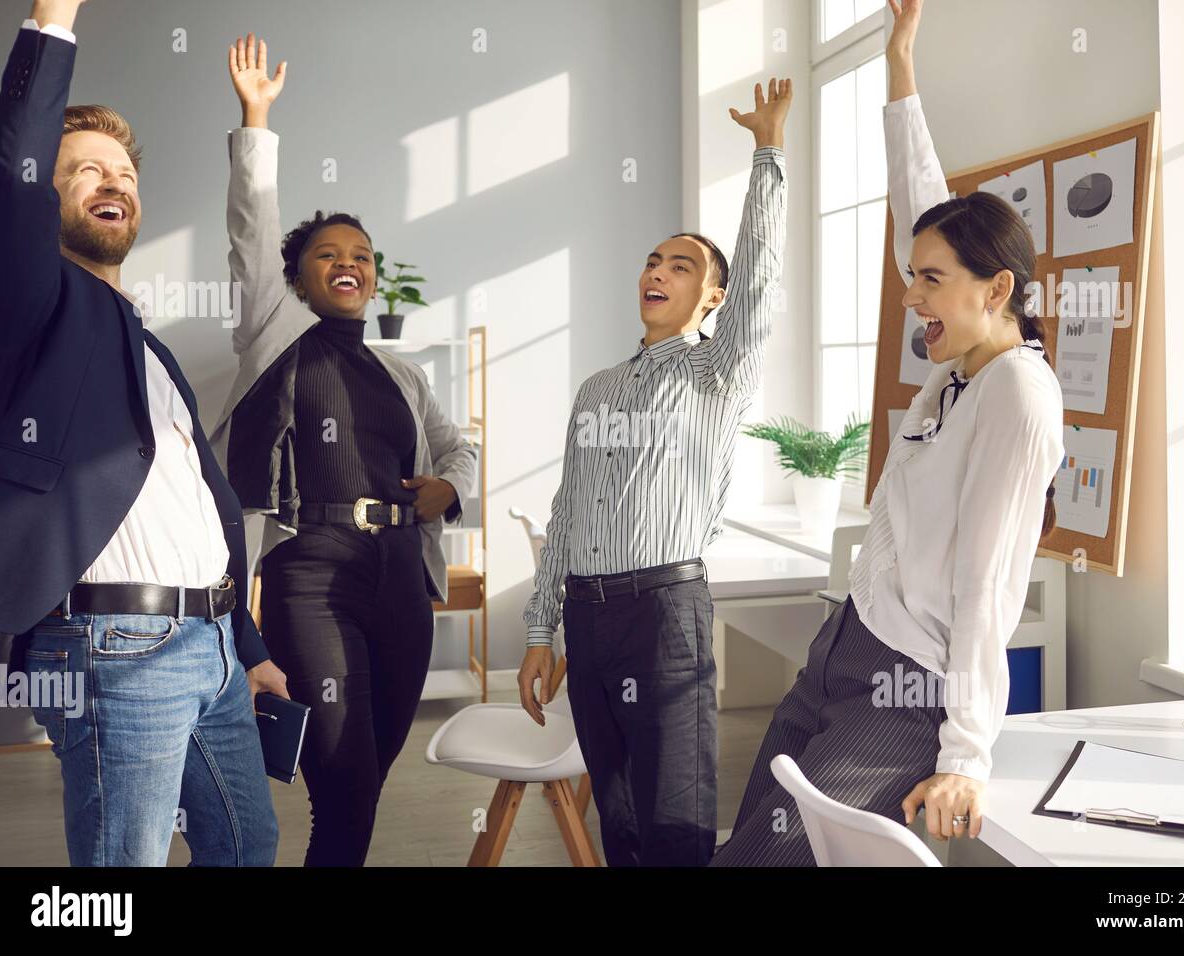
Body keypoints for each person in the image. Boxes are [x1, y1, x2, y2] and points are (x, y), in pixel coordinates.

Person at [711, 0, 1065, 866]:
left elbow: (987, 587)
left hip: (904, 692)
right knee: (746, 844)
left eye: (931, 282)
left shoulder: (1017, 395)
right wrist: (900, 60)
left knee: (771, 861)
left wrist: (966, 759)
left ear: (996, 289)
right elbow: (923, 201)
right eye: (913, 277)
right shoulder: (960, 369)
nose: (913, 297)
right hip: (841, 647)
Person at [0, 0, 284, 866]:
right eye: (82, 171)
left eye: (124, 171)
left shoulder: (143, 345)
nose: (113, 181)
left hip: (213, 646)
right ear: (45, 198)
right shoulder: (26, 311)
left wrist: (247, 648)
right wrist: (53, 18)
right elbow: (7, 178)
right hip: (112, 651)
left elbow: (203, 508)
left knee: (244, 845)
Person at [207, 34, 478, 867]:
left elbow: (455, 446)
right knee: (340, 775)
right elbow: (253, 233)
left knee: (366, 778)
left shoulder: (400, 371)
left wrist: (448, 490)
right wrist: (256, 119)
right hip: (310, 571)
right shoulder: (276, 337)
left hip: (400, 573)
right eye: (329, 254)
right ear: (296, 279)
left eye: (362, 255)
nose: (350, 264)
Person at [516, 78, 792, 867]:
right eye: (652, 261)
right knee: (623, 817)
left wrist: (766, 149)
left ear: (712, 297)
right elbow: (566, 512)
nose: (658, 271)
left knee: (675, 820)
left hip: (665, 612)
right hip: (588, 617)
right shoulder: (596, 388)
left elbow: (763, 281)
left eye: (681, 265)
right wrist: (540, 632)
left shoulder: (716, 374)